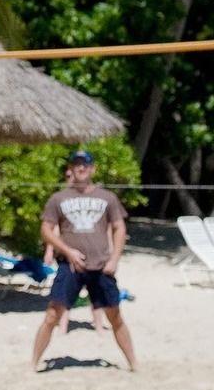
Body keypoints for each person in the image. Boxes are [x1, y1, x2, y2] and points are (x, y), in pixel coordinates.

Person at [30, 150, 140, 373]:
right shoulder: (59, 198)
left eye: (85, 165)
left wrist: (115, 259)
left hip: (100, 266)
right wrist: (67, 251)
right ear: (71, 169)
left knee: (115, 315)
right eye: (77, 164)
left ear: (92, 169)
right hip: (70, 266)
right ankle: (33, 364)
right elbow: (46, 229)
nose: (81, 168)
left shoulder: (107, 197)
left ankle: (134, 364)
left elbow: (119, 227)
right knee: (52, 314)